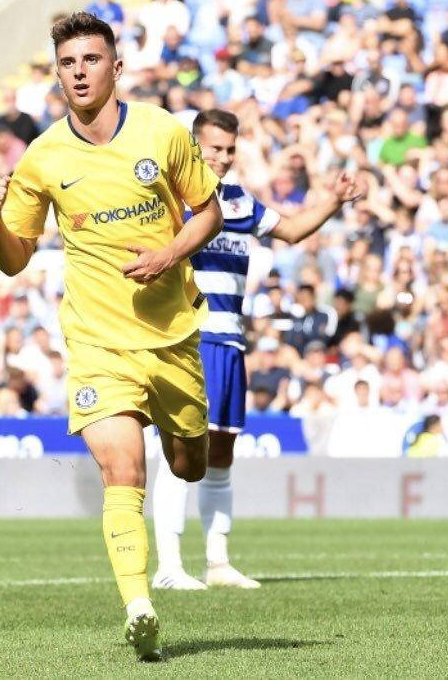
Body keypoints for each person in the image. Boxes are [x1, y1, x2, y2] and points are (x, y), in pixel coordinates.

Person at [0, 12, 224, 662]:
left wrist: (170, 252)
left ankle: (185, 459)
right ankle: (138, 605)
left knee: (187, 463)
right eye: (68, 63)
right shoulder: (44, 158)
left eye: (91, 59)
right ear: (57, 74)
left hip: (171, 334)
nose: (79, 71)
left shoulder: (161, 133)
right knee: (123, 468)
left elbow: (210, 210)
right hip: (96, 342)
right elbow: (14, 257)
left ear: (116, 67)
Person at [151, 108, 365, 592]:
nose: (224, 158)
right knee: (179, 455)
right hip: (189, 339)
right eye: (215, 148)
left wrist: (332, 200)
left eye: (230, 149)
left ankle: (218, 562)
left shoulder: (238, 201)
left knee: (221, 453)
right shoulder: (171, 198)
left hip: (230, 342)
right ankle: (167, 566)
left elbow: (289, 230)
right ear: (193, 145)